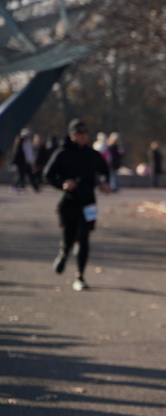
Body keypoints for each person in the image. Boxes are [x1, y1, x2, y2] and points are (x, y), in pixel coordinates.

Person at [43, 119, 111, 291]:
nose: (82, 136)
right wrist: (63, 184)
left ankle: (80, 277)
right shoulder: (62, 154)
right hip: (69, 202)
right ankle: (64, 253)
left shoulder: (92, 154)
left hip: (88, 202)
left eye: (85, 133)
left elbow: (105, 171)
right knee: (69, 237)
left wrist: (104, 183)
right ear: (72, 135)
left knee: (84, 237)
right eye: (79, 133)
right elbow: (47, 175)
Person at [10, 129, 39, 193]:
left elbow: (30, 153)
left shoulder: (29, 143)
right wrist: (13, 161)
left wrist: (32, 160)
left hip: (28, 162)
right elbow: (17, 154)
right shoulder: (20, 144)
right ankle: (18, 187)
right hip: (21, 163)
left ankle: (35, 187)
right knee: (21, 176)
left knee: (30, 175)